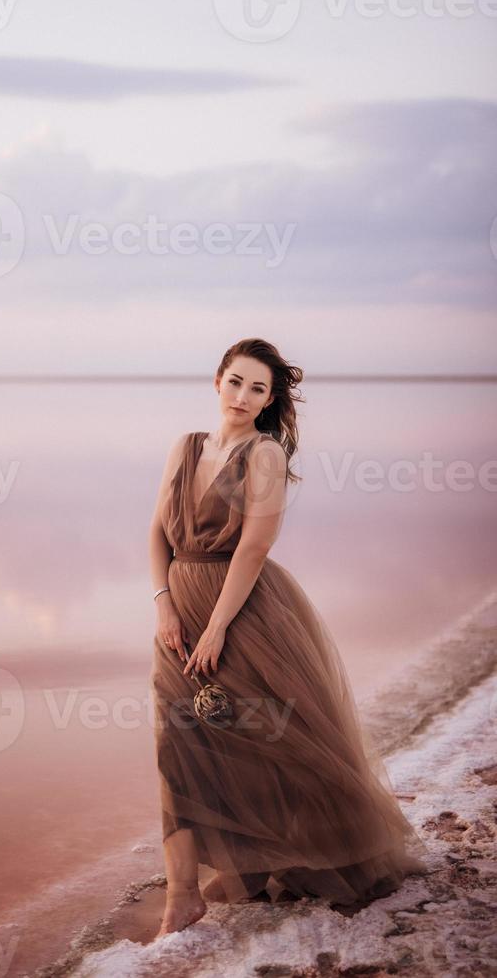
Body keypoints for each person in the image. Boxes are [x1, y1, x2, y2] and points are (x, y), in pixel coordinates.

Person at [148, 338, 429, 939]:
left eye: (259, 389)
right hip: (179, 617)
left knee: (268, 738)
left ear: (271, 400)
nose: (244, 397)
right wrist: (164, 605)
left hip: (243, 611)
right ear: (216, 381)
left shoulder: (265, 453)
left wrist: (218, 626)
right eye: (236, 382)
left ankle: (294, 855)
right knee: (179, 743)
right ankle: (181, 895)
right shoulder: (185, 446)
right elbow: (155, 533)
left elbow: (254, 546)